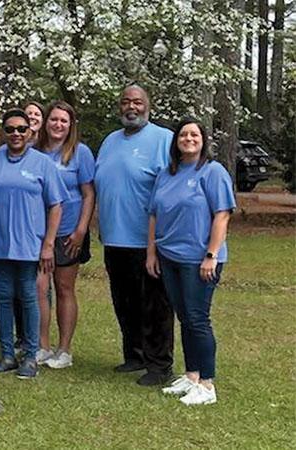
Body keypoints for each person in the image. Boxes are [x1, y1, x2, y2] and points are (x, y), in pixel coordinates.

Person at [146, 119, 234, 405]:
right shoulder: (166, 174)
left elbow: (222, 215)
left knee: (198, 320)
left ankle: (207, 386)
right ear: (176, 142)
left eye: (194, 134)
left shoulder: (212, 171)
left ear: (203, 140)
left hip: (200, 260)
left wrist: (211, 254)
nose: (188, 138)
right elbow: (154, 215)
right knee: (184, 318)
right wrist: (151, 252)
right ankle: (192, 375)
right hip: (169, 256)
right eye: (183, 134)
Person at [95, 85, 176, 386]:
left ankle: (159, 365)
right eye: (126, 102)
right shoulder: (109, 142)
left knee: (155, 305)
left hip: (147, 240)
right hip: (115, 239)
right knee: (124, 301)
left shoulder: (163, 139)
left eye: (138, 102)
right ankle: (134, 354)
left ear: (148, 106)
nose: (132, 107)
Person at [0, 109, 64, 379]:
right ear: (3, 133)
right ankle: (6, 354)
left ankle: (30, 355)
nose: (16, 134)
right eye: (10, 129)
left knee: (29, 297)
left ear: (30, 132)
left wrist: (48, 243)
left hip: (30, 244)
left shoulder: (43, 164)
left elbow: (56, 206)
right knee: (2, 298)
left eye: (21, 129)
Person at [33, 101, 95, 369]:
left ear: (71, 126)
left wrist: (82, 229)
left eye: (64, 121)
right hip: (38, 231)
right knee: (39, 287)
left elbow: (88, 193)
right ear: (46, 122)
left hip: (70, 231)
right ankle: (42, 345)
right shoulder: (34, 152)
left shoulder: (80, 153)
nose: (58, 125)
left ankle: (64, 349)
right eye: (54, 120)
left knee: (64, 288)